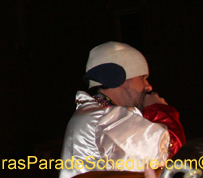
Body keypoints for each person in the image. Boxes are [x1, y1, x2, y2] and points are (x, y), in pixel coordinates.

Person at [59, 41, 185, 178]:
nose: (148, 86)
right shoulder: (106, 118)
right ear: (117, 77)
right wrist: (160, 110)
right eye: (143, 77)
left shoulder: (93, 114)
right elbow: (167, 154)